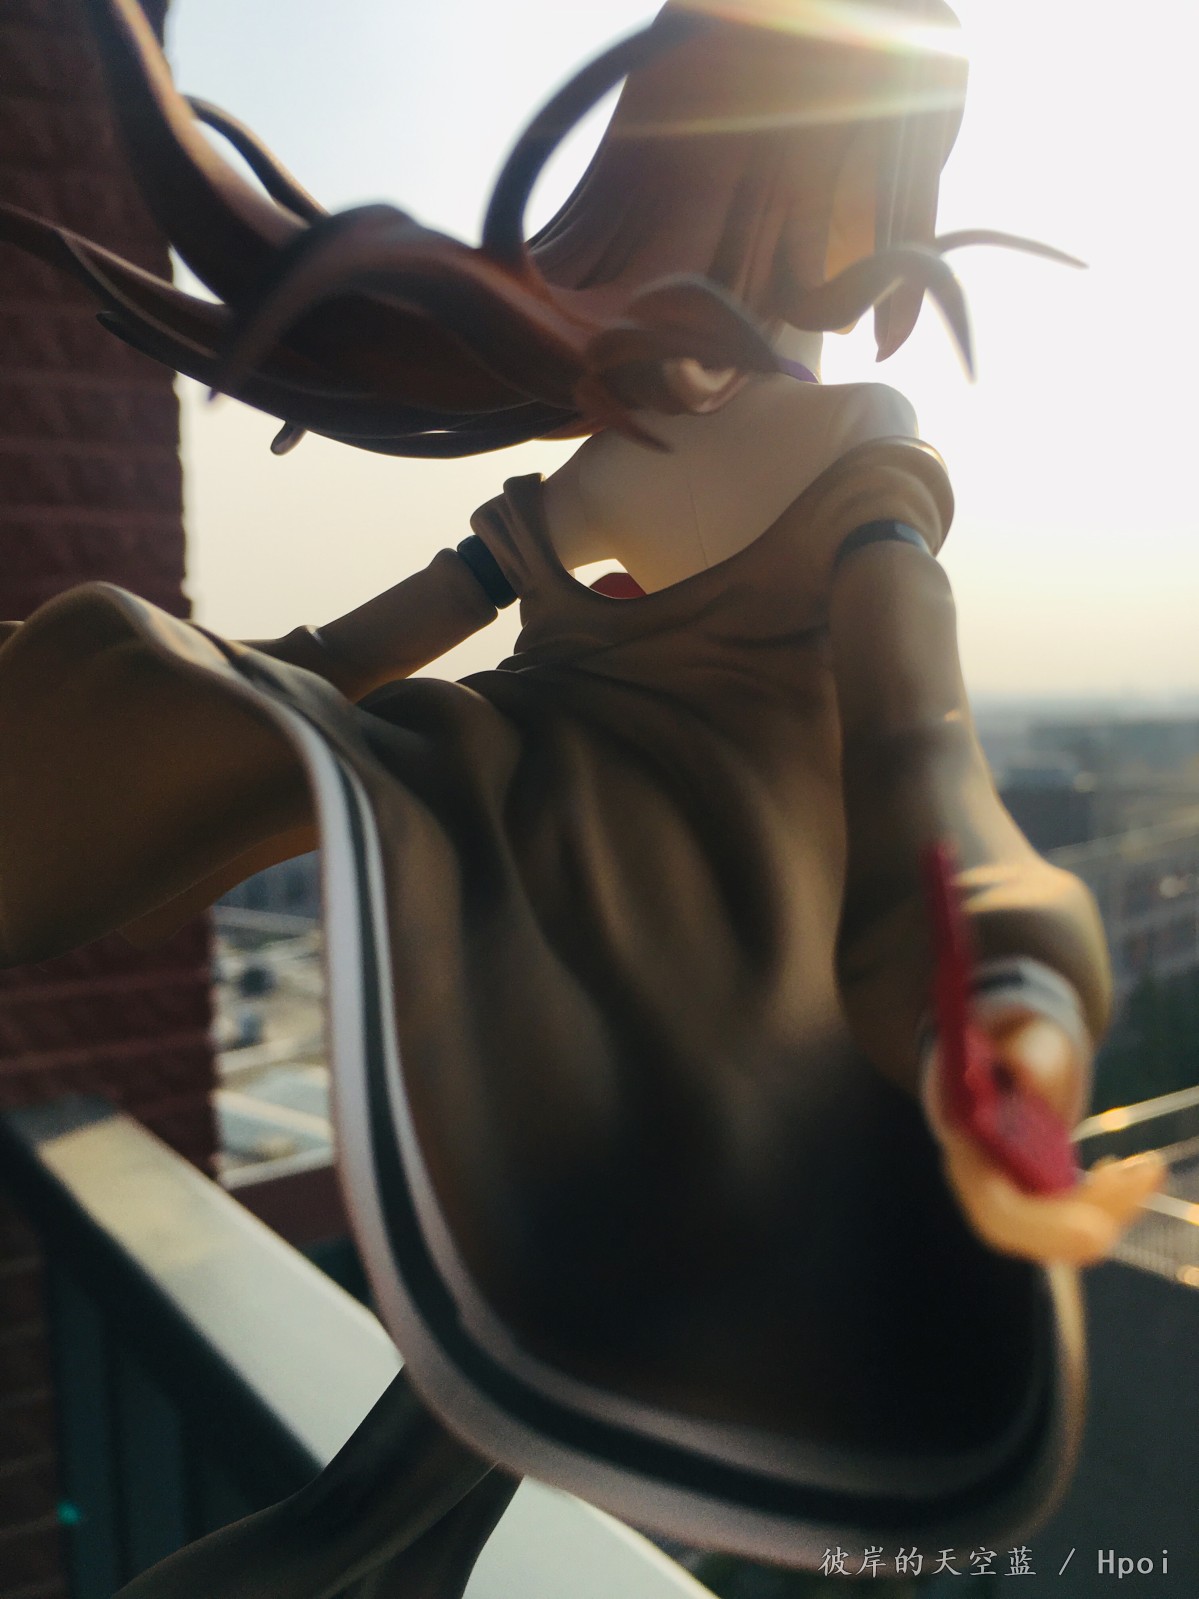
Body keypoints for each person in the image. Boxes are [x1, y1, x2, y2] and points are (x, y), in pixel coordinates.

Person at [0, 0, 1162, 1589]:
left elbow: (360, 655)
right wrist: (1007, 962)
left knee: (411, 1482)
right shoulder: (842, 438)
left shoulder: (666, 455)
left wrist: (208, 704)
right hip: (699, 978)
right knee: (455, 1466)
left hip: (588, 934)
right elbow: (917, 742)